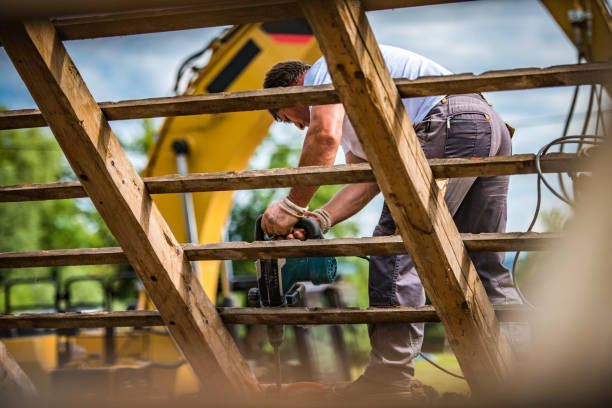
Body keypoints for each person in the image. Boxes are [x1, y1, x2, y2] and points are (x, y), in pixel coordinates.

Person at [261, 44, 524, 393]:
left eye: (284, 116)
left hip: (448, 121)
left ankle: (389, 379)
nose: (295, 126)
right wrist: (319, 219)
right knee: (482, 261)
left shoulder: (325, 71)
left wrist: (291, 206)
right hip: (485, 124)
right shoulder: (359, 109)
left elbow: (323, 137)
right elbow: (366, 179)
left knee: (394, 248)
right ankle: (523, 370)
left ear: (295, 87)